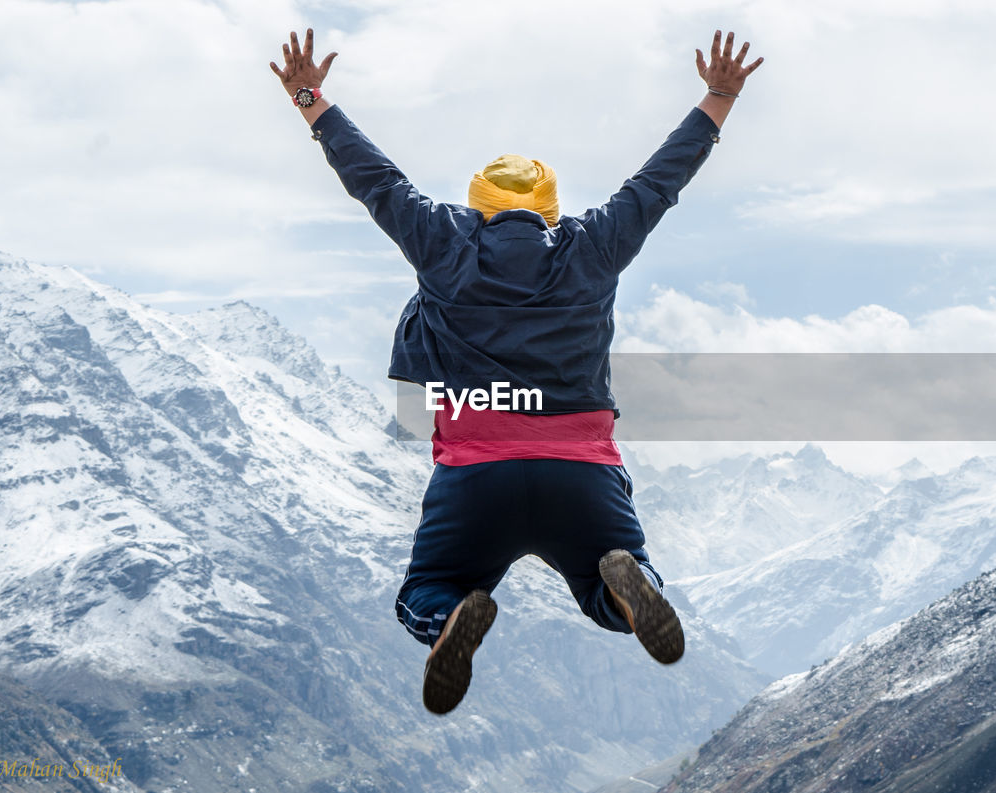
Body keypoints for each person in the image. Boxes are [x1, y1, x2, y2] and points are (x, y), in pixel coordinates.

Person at [271, 27, 764, 715]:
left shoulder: (442, 240)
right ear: (550, 211)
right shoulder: (593, 245)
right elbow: (657, 183)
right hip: (581, 471)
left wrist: (310, 98)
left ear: (478, 205)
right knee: (604, 585)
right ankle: (625, 586)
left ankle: (448, 619)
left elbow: (374, 180)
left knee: (426, 589)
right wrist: (717, 97)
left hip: (476, 475)